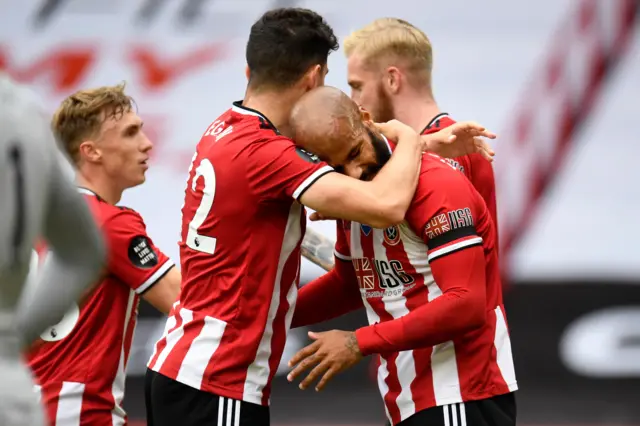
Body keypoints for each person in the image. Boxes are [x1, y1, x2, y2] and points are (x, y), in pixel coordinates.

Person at [145, 7, 496, 426]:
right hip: (217, 377)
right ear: (313, 78)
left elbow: (355, 163)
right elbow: (385, 205)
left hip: (184, 364)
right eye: (335, 82)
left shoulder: (223, 129)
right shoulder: (271, 154)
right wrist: (409, 140)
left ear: (248, 71)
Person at [287, 86, 517, 426]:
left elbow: (465, 303)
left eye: (355, 152)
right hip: (409, 399)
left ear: (366, 120)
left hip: (460, 394)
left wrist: (357, 342)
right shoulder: (354, 198)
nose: (354, 173)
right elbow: (351, 285)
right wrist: (271, 314)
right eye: (337, 167)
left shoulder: (436, 184)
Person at [26, 83, 181, 426]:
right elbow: (187, 302)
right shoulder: (109, 222)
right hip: (78, 413)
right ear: (91, 151)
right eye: (131, 133)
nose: (147, 143)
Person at [0, 76, 105, 426]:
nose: (147, 145)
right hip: (11, 388)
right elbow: (82, 253)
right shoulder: (21, 108)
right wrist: (11, 340)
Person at [344, 18, 498, 238]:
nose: (353, 101)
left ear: (392, 80)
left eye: (358, 86)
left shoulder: (455, 151)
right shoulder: (394, 149)